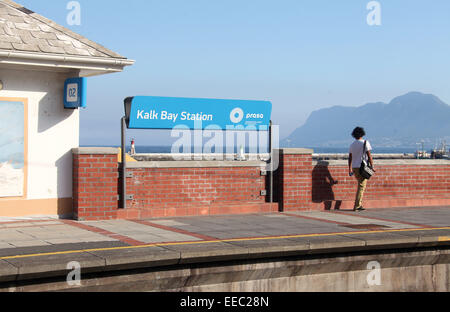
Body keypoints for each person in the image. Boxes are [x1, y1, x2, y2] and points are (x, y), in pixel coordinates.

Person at [348, 127, 375, 211]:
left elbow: (350, 158)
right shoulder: (365, 143)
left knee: (360, 185)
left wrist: (350, 169)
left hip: (355, 167)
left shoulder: (352, 145)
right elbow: (369, 156)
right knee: (361, 186)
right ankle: (357, 206)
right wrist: (372, 166)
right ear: (362, 133)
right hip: (362, 167)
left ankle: (358, 204)